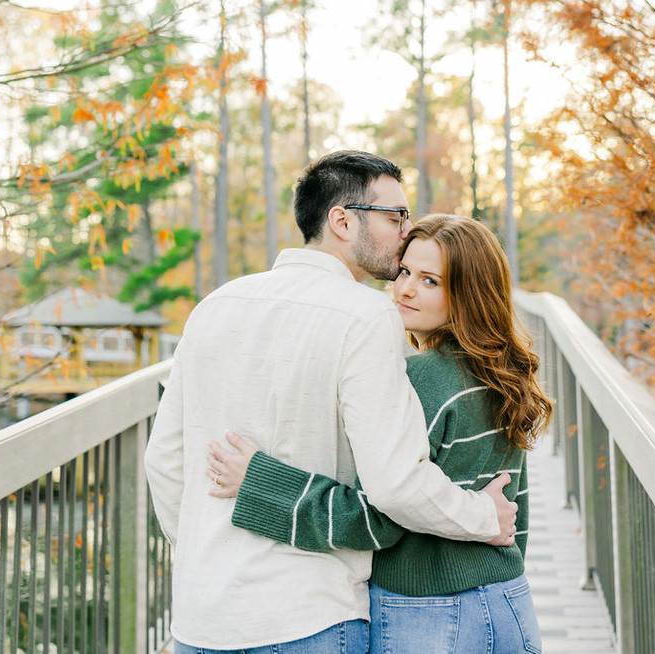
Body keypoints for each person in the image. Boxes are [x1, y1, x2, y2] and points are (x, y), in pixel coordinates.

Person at [144, 153, 519, 654]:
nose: (405, 232)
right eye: (395, 217)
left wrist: (201, 555)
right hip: (309, 616)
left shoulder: (215, 305)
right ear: (342, 221)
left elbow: (163, 459)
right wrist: (484, 517)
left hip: (201, 617)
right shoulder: (366, 317)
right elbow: (396, 484)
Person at [208, 214, 554, 653]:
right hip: (509, 601)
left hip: (429, 614)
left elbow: (381, 514)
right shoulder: (502, 378)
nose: (404, 289)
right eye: (405, 271)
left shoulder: (422, 379)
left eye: (430, 281)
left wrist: (260, 483)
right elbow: (513, 510)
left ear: (469, 293)